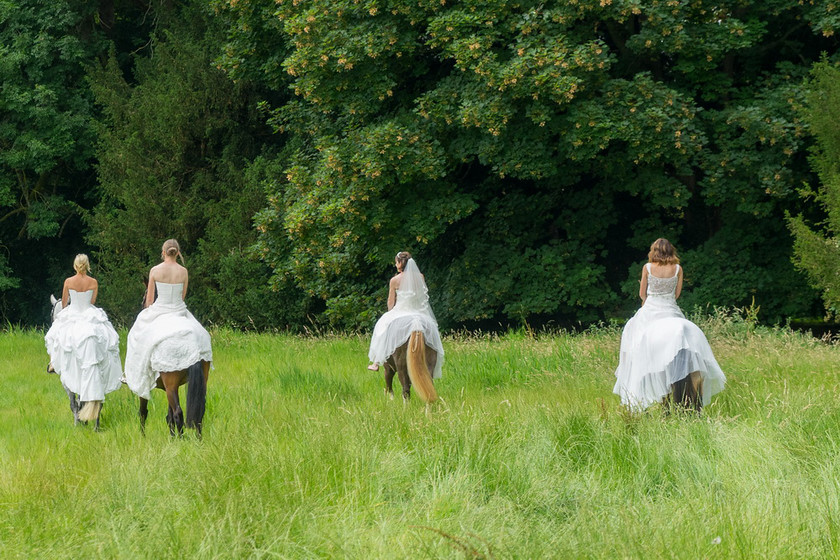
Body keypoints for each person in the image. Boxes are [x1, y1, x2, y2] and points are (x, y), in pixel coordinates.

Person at [613, 238, 726, 411]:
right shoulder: (678, 269)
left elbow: (642, 294)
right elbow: (677, 294)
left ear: (654, 251)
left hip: (651, 310)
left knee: (632, 339)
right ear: (671, 251)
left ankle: (636, 387)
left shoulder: (648, 268)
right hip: (671, 309)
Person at [124, 239, 212, 400]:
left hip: (160, 310)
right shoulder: (183, 271)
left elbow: (149, 300)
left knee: (135, 335)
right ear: (178, 253)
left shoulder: (155, 270)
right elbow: (182, 296)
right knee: (203, 335)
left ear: (163, 253)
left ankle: (137, 374)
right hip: (179, 310)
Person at [44, 254, 123, 414]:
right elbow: (92, 302)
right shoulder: (93, 282)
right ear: (87, 265)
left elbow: (65, 303)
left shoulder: (68, 281)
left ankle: (53, 363)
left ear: (75, 266)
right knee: (106, 336)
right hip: (88, 313)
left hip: (73, 313)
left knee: (55, 336)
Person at [367, 252, 444, 378]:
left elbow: (391, 301)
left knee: (381, 327)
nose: (395, 264)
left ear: (400, 263)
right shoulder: (420, 277)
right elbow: (422, 297)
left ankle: (376, 361)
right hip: (418, 312)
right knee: (432, 327)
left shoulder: (394, 280)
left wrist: (390, 312)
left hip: (401, 311)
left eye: (396, 262)